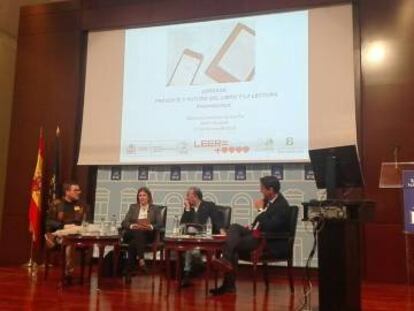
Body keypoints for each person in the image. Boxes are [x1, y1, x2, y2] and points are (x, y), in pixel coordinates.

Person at [210, 175, 291, 295]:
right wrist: (251, 226)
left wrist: (260, 210)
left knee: (231, 245)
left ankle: (228, 280)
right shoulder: (270, 202)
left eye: (263, 188)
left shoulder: (282, 206)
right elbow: (261, 222)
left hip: (269, 242)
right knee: (234, 227)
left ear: (271, 190)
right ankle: (226, 262)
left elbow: (270, 226)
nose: (260, 191)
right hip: (257, 234)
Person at [179, 186, 225, 287]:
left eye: (188, 195)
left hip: (206, 236)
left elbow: (217, 220)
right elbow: (182, 224)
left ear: (195, 196)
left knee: (189, 245)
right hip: (192, 238)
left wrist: (222, 231)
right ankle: (192, 268)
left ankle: (188, 272)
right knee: (189, 245)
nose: (186, 198)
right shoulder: (189, 208)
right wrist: (186, 209)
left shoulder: (209, 205)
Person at [44, 181, 87, 281]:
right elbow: (48, 221)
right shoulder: (57, 204)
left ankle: (68, 271)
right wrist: (64, 226)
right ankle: (68, 272)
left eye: (79, 190)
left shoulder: (81, 205)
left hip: (77, 234)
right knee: (69, 242)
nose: (79, 192)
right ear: (67, 192)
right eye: (75, 190)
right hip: (59, 235)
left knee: (72, 237)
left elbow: (84, 222)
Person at [121, 187, 162, 283]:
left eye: (144, 195)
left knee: (133, 244)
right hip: (132, 233)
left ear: (148, 197)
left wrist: (150, 226)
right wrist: (132, 225)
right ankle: (141, 260)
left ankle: (128, 272)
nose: (142, 197)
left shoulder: (155, 208)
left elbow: (160, 224)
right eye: (140, 195)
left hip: (147, 235)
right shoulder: (133, 207)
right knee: (138, 231)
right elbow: (124, 222)